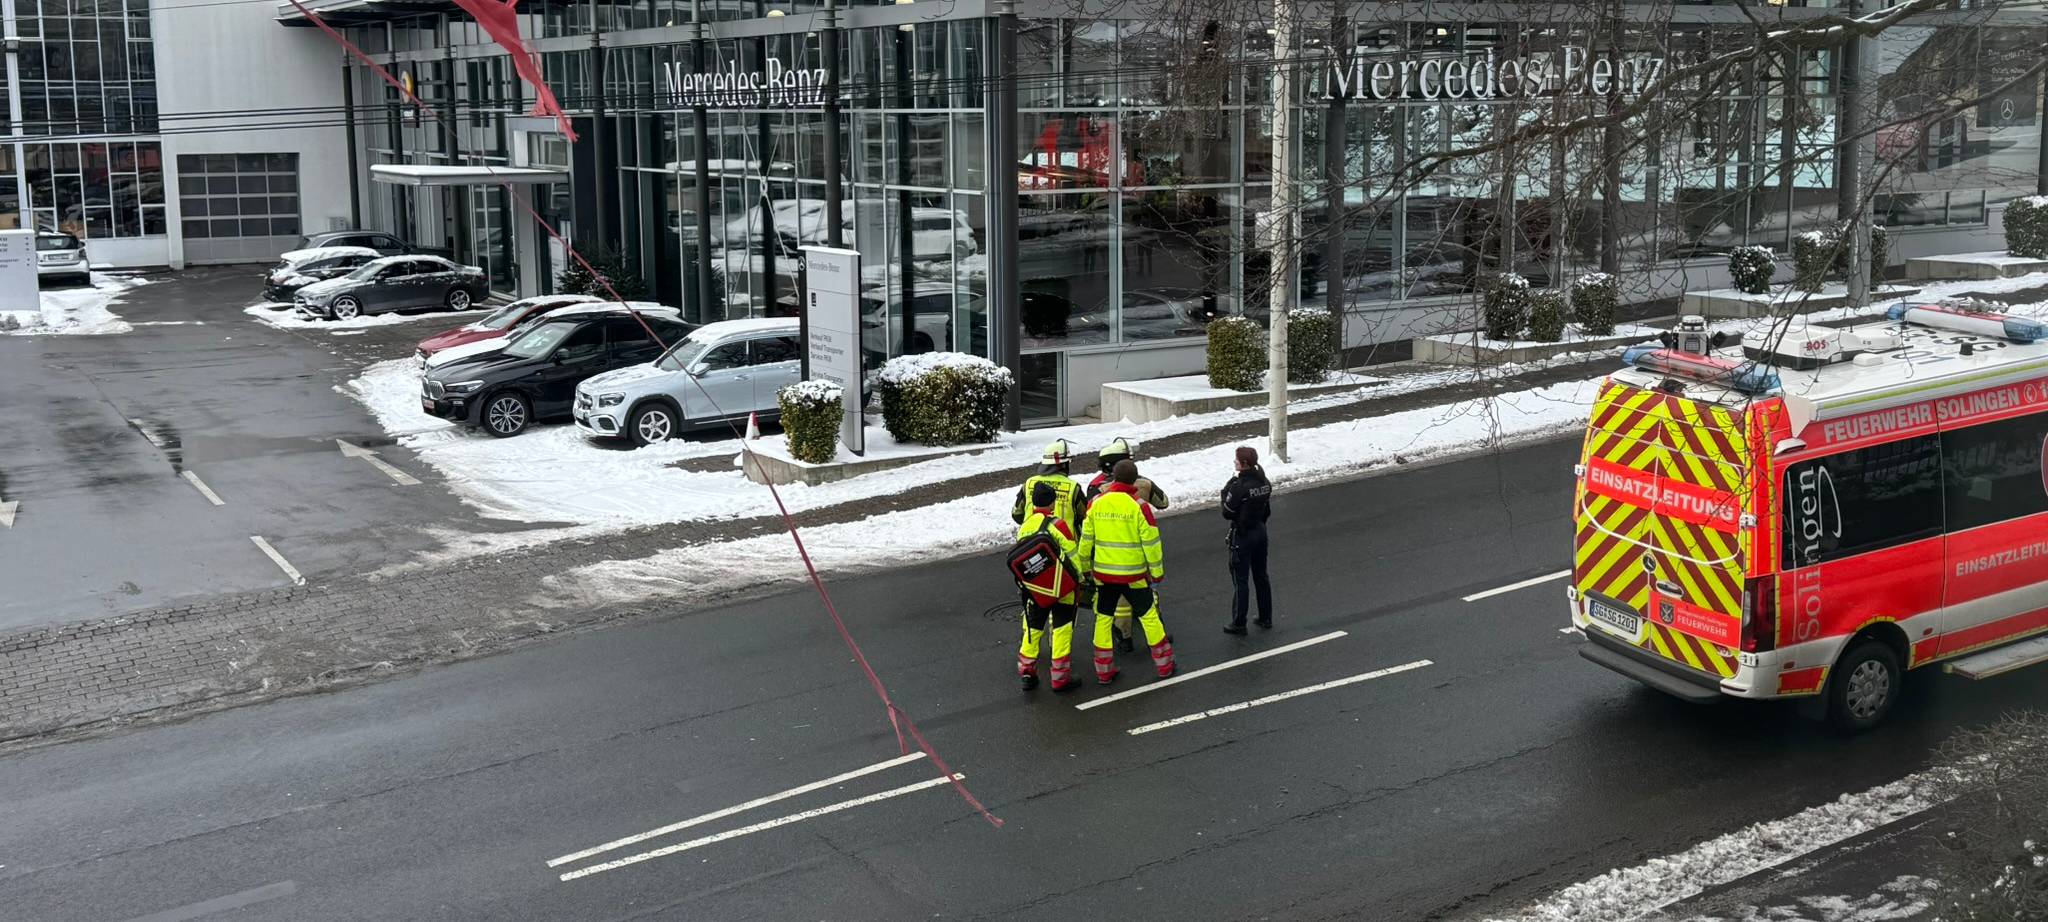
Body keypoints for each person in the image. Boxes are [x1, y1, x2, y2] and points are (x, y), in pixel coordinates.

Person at [1078, 460, 1177, 683]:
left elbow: (1086, 541)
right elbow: (1152, 543)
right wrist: (1156, 572)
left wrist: (1084, 569)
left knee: (1103, 619)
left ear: (1113, 477)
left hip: (1104, 575)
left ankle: (1104, 670)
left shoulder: (1096, 503)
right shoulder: (1139, 506)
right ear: (1134, 480)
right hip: (1134, 576)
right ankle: (1164, 665)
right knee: (1149, 617)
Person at [1086, 437, 1168, 653]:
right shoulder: (1144, 483)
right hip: (1138, 557)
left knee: (1116, 604)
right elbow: (1163, 502)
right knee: (1148, 596)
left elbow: (1087, 522)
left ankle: (1123, 638)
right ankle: (1160, 642)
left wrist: (1084, 564)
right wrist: (1157, 570)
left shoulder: (1097, 489)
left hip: (1106, 558)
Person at [1014, 481, 1083, 692]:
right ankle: (1060, 678)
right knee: (1062, 629)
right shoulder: (1058, 525)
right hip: (1062, 588)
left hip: (1034, 590)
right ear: (1052, 504)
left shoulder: (1025, 527)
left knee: (1033, 630)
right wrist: (1079, 579)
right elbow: (1073, 557)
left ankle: (1027, 672)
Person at [1221, 446, 1274, 635]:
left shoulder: (1239, 486)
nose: (1234, 463)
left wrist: (1228, 487)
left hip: (1243, 536)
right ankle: (1266, 616)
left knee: (1240, 580)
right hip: (1261, 531)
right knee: (1261, 575)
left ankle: (1239, 622)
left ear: (1244, 464)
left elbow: (1227, 511)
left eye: (1236, 461)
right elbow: (1266, 509)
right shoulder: (1264, 482)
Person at [1012, 438, 1087, 532]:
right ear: (1064, 465)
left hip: (1030, 542)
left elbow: (1017, 514)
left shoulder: (1029, 483)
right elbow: (1085, 517)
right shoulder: (1073, 487)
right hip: (1064, 544)